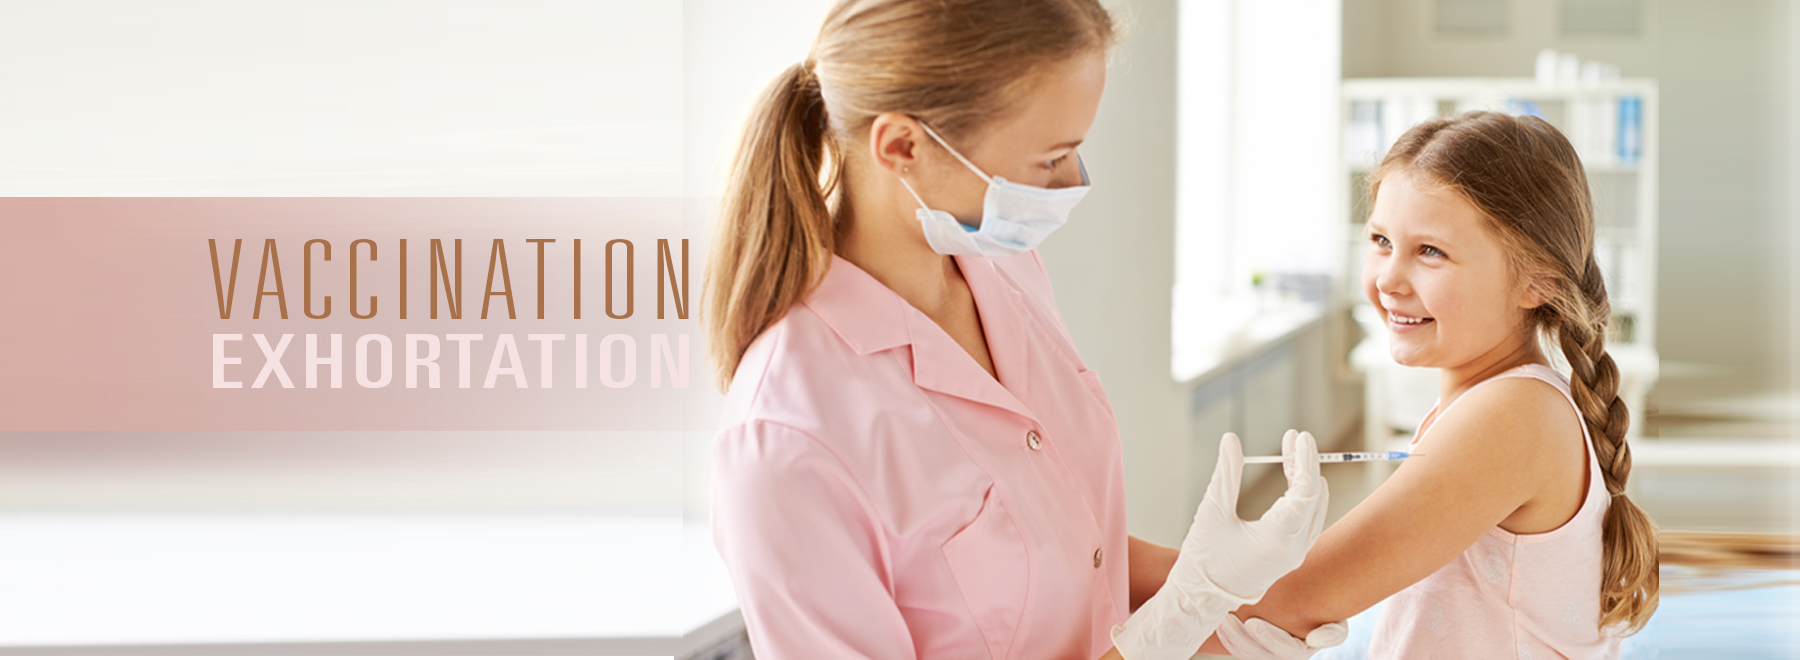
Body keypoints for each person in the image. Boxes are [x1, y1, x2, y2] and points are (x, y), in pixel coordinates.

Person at [701, 1, 1341, 658]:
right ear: (902, 146)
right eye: (1051, 159)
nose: (1071, 184)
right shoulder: (788, 439)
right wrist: (1181, 617)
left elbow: (1046, 550)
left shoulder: (1007, 274)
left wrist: (1231, 592)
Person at [1199, 111, 1660, 659]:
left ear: (1538, 280)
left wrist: (1096, 553)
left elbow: (1290, 601)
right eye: (1380, 240)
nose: (1388, 279)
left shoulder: (1515, 415)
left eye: (1431, 251)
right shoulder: (1493, 403)